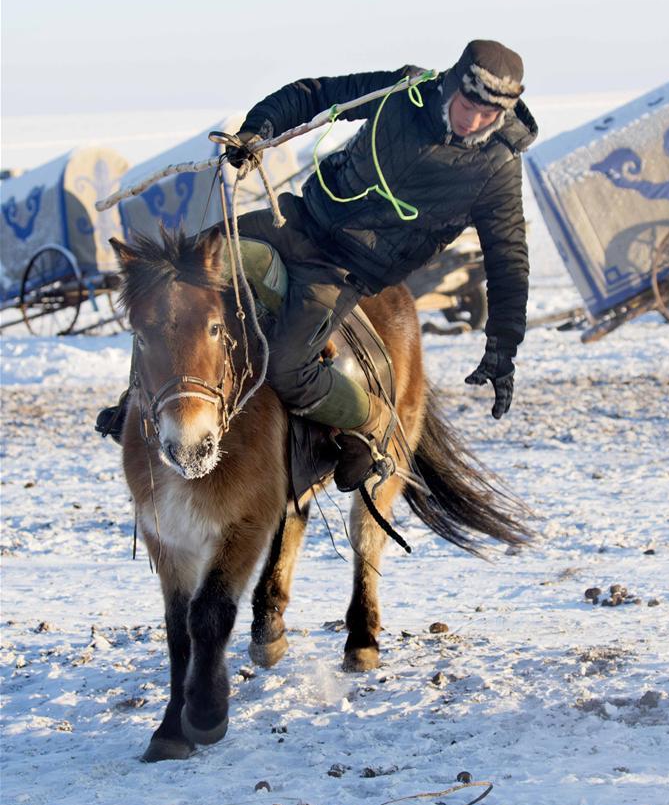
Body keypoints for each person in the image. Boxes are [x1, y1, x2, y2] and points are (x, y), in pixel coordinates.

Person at [98, 39, 538, 493]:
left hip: (345, 268)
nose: (474, 120)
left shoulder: (497, 168)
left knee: (289, 366)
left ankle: (369, 422)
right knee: (177, 273)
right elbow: (316, 93)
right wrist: (257, 130)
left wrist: (503, 349)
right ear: (452, 83)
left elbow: (509, 261)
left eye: (489, 114)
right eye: (468, 104)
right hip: (300, 219)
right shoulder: (404, 92)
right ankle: (137, 400)